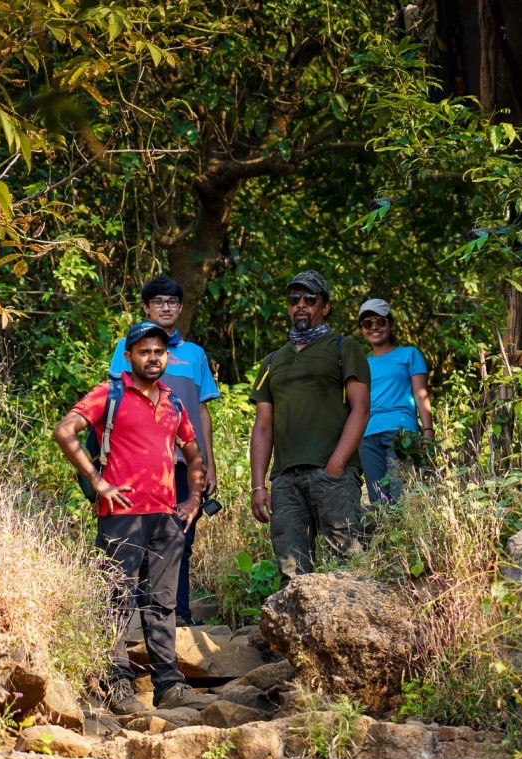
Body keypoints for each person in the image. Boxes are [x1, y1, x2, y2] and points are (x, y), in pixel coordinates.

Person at [54, 321, 214, 714]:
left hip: (165, 517)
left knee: (161, 604)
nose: (153, 358)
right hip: (120, 516)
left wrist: (192, 500)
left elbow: (194, 454)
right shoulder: (109, 393)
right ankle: (116, 686)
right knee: (116, 601)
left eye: (159, 352)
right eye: (145, 351)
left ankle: (170, 686)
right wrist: (98, 480)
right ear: (129, 357)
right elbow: (65, 431)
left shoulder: (173, 401)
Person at [108, 277, 221, 627]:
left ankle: (179, 615)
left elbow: (202, 412)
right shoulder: (129, 348)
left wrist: (209, 464)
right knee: (137, 538)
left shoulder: (194, 355)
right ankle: (132, 621)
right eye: (158, 301)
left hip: (185, 462)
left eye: (173, 301)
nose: (166, 307)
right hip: (142, 462)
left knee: (181, 539)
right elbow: (114, 402)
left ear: (181, 307)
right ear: (146, 307)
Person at [249, 270, 370, 582]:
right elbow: (262, 427)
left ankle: (348, 630)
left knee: (345, 563)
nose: (300, 305)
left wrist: (337, 465)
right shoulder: (273, 360)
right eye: (294, 299)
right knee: (291, 570)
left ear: (325, 306)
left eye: (309, 299)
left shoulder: (343, 347)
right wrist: (259, 485)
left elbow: (361, 408)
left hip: (332, 474)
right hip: (286, 479)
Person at [356, 299, 434, 505]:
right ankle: (387, 538)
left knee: (402, 497)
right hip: (368, 438)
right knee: (379, 503)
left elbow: (421, 394)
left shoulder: (409, 354)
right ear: (362, 329)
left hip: (401, 432)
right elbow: (360, 405)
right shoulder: (363, 363)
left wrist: (428, 432)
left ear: (390, 324)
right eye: (367, 323)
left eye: (379, 322)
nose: (374, 327)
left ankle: (408, 538)